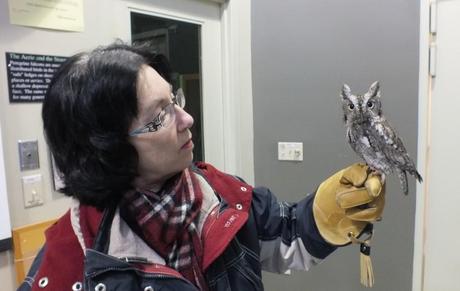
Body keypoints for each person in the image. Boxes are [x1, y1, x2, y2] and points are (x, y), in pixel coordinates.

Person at [18, 43, 385, 291]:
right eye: (160, 114)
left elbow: (286, 236)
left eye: (174, 99)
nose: (187, 118)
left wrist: (324, 215)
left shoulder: (222, 196)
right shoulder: (67, 265)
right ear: (108, 146)